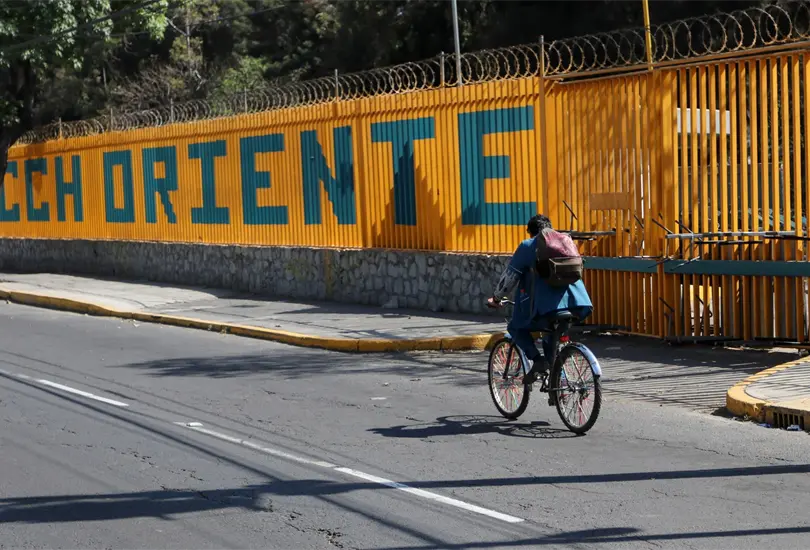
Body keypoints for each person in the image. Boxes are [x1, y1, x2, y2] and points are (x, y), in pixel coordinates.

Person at [487, 214, 593, 387]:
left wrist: (497, 298)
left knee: (515, 327)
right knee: (553, 334)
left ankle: (537, 360)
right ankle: (554, 383)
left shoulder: (528, 246)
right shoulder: (566, 241)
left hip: (546, 309)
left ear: (530, 232)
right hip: (577, 304)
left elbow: (510, 277)